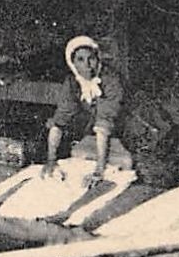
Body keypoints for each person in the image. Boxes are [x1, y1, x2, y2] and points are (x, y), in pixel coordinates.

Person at [42, 35, 122, 181]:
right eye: (80, 60)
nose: (87, 65)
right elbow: (60, 119)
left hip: (121, 134)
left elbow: (104, 124)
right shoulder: (72, 83)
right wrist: (51, 161)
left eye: (91, 58)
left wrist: (99, 170)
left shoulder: (111, 80)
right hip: (94, 137)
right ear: (72, 63)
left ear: (98, 59)